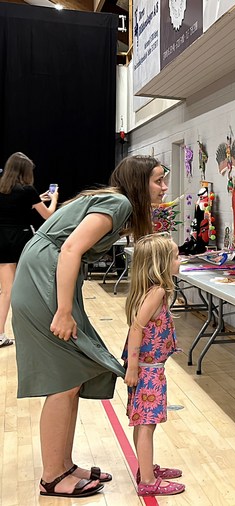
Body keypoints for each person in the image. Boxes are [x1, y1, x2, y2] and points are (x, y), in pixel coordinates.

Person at [12, 155, 167, 498]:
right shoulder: (119, 203)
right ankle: (52, 477)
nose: (164, 187)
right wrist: (64, 310)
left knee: (72, 376)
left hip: (47, 273)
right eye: (158, 180)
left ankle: (64, 466)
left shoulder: (117, 202)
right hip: (45, 277)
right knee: (63, 379)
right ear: (139, 183)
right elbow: (70, 249)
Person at [122, 233, 185, 497]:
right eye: (176, 257)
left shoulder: (153, 291)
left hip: (147, 368)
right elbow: (137, 328)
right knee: (147, 424)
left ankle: (145, 468)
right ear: (161, 263)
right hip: (147, 370)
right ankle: (147, 481)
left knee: (143, 422)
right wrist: (132, 368)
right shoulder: (157, 292)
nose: (180, 261)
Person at [0, 152, 58, 347]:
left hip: (2, 240)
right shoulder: (27, 190)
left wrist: (36, 199)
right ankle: (36, 330)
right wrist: (54, 199)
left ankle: (0, 333)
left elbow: (13, 207)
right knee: (33, 286)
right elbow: (48, 215)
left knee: (6, 291)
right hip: (21, 240)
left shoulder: (2, 188)